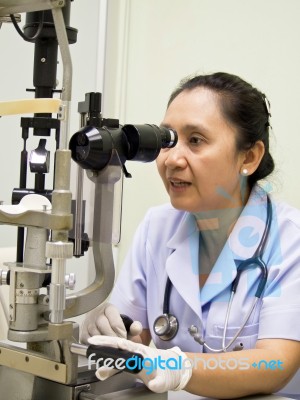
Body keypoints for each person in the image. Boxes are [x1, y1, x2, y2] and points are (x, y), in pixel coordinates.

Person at [81, 72, 300, 398]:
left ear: (249, 157)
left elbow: (275, 364)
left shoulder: (289, 238)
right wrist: (110, 335)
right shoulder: (157, 227)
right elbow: (134, 339)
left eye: (195, 140)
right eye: (168, 139)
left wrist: (175, 369)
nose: (171, 159)